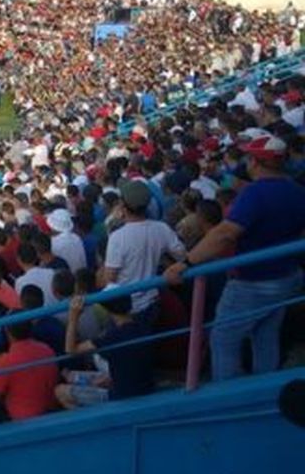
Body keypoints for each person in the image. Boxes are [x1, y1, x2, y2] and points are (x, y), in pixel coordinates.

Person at [165, 134, 305, 380]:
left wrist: (185, 263)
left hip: (254, 281)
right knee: (265, 333)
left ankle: (226, 390)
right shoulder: (296, 190)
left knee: (223, 338)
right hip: (286, 276)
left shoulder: (256, 193)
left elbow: (225, 233)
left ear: (256, 161)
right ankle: (265, 385)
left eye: (249, 157)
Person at [101, 180, 186, 323]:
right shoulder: (161, 228)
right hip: (152, 300)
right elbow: (182, 255)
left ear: (122, 205)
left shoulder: (117, 237)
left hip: (127, 308)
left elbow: (109, 278)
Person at [56, 293, 154, 408]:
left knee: (60, 391)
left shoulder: (110, 338)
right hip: (144, 388)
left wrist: (73, 317)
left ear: (108, 311)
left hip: (121, 397)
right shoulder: (143, 326)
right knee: (73, 376)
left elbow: (70, 350)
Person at [0, 321, 58, 427]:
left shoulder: (7, 361)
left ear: (8, 333)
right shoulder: (46, 349)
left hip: (21, 418)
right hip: (47, 409)